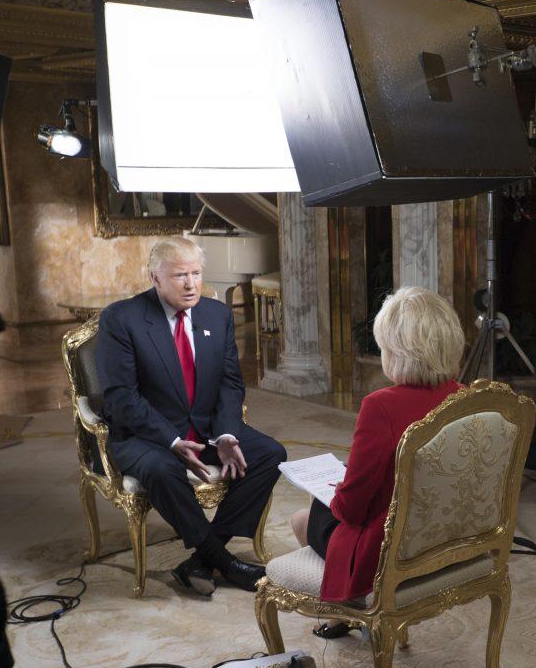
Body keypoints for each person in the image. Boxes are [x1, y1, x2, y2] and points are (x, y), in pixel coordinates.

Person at [96, 237, 286, 596]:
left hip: (205, 428)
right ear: (155, 278)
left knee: (269, 454)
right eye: (180, 275)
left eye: (196, 273)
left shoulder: (217, 315)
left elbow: (230, 384)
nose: (191, 284)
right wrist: (170, 440)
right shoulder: (121, 319)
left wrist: (228, 435)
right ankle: (225, 562)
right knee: (162, 469)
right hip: (144, 434)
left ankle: (201, 559)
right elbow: (122, 398)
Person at [289, 286, 464, 637]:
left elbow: (352, 510)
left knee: (303, 518)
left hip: (390, 549)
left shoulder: (380, 406)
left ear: (396, 353)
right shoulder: (464, 398)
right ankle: (347, 615)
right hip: (447, 537)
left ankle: (349, 612)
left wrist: (338, 491)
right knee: (323, 506)